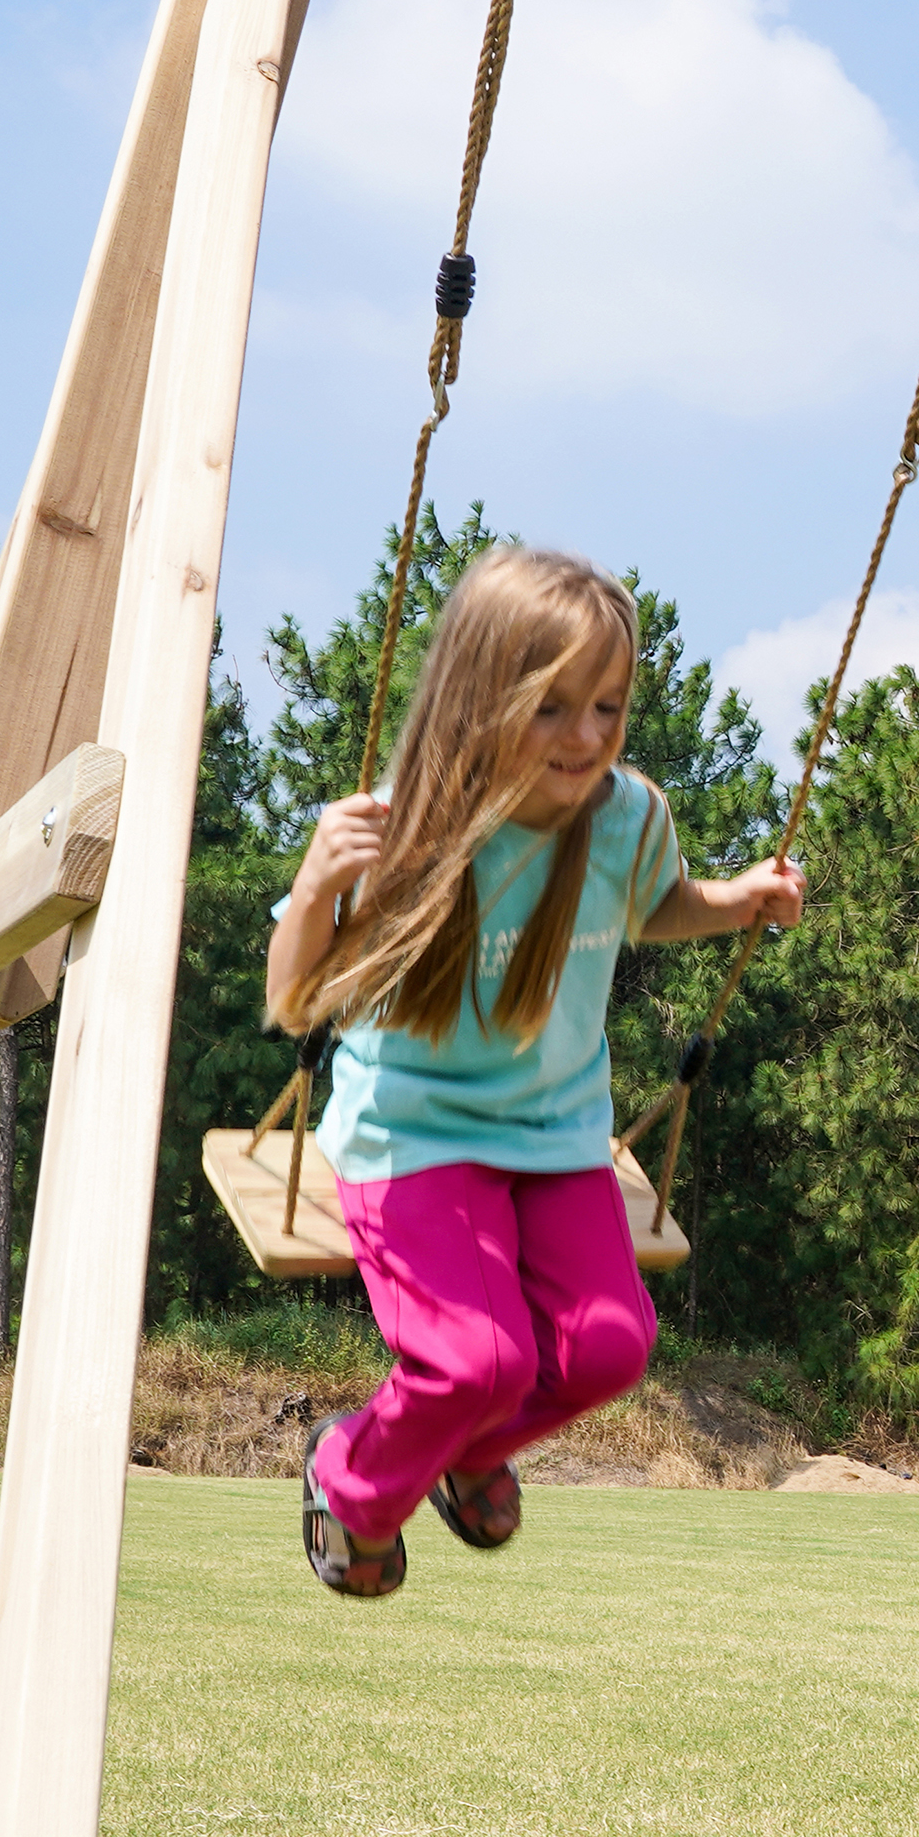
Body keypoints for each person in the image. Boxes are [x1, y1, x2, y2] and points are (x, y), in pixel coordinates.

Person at [268, 545, 808, 1599]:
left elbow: (653, 906)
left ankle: (462, 1451)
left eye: (607, 706)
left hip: (554, 1136)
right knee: (480, 1362)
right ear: (482, 696)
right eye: (554, 707)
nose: (589, 737)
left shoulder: (627, 815)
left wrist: (733, 899)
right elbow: (297, 997)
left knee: (608, 1349)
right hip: (413, 1135)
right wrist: (314, 881)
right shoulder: (399, 828)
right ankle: (354, 1477)